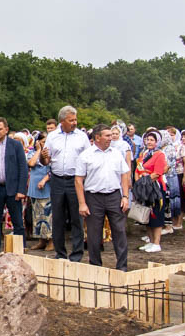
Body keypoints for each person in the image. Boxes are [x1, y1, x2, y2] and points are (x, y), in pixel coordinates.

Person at [75, 123, 131, 270]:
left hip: (114, 196)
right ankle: (96, 267)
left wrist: (125, 196)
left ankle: (122, 268)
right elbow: (78, 180)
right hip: (93, 197)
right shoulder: (86, 155)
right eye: (107, 135)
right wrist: (82, 203)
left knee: (119, 231)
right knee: (94, 234)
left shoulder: (116, 153)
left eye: (111, 135)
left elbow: (124, 174)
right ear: (97, 137)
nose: (110, 138)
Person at [41, 105, 89, 262]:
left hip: (75, 181)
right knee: (58, 218)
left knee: (77, 218)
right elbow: (45, 161)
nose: (74, 122)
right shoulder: (52, 136)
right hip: (57, 180)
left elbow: (88, 158)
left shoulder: (82, 136)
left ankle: (76, 255)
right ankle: (60, 254)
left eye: (75, 119)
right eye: (71, 120)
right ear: (62, 121)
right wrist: (43, 156)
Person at [0, 117, 29, 254]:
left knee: (18, 222)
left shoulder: (16, 145)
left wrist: (21, 190)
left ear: (6, 130)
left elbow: (23, 168)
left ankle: (20, 249)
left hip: (13, 189)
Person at [136, 131, 167, 253]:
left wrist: (145, 181)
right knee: (146, 215)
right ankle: (150, 240)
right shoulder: (143, 153)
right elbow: (138, 169)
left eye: (152, 140)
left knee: (156, 214)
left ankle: (157, 242)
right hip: (143, 187)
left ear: (157, 142)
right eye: (147, 139)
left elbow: (158, 172)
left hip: (155, 188)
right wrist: (138, 182)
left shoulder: (159, 154)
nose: (149, 142)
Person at [27, 132, 52, 250]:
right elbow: (31, 163)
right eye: (42, 142)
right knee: (37, 216)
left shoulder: (51, 154)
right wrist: (38, 151)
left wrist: (44, 180)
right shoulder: (32, 153)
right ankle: (41, 240)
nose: (44, 144)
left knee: (49, 215)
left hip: (47, 187)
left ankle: (51, 241)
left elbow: (52, 170)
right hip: (34, 188)